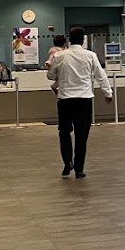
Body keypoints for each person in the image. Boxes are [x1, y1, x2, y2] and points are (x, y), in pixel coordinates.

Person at [46, 26, 111, 179]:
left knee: (64, 132)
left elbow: (50, 76)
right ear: (83, 40)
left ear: (69, 39)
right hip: (84, 100)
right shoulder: (90, 55)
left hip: (65, 99)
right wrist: (107, 93)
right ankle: (79, 169)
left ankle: (67, 161)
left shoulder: (59, 56)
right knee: (82, 134)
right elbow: (100, 75)